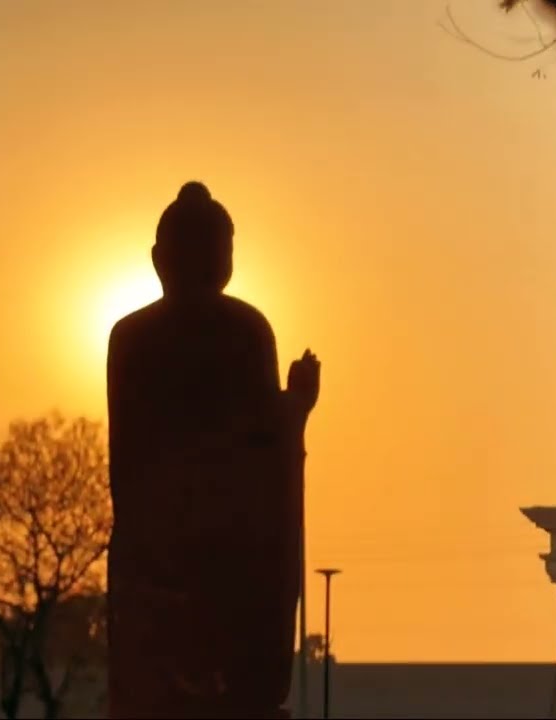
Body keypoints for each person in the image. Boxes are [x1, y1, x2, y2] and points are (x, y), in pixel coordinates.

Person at [106, 181, 320, 719]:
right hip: (183, 559)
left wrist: (291, 410)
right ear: (159, 259)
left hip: (204, 558)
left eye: (220, 251)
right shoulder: (225, 332)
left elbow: (260, 446)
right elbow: (131, 461)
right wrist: (293, 410)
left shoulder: (240, 331)